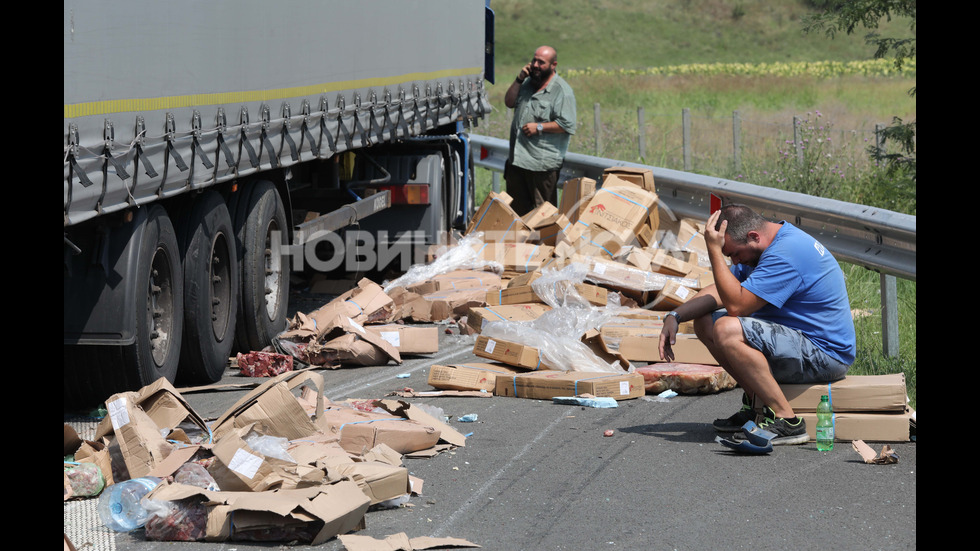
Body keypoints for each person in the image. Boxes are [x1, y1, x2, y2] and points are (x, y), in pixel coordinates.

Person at [658, 204, 856, 445]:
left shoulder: (786, 253)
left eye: (734, 254)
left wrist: (714, 252)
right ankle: (757, 407)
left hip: (825, 355)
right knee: (704, 321)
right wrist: (675, 316)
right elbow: (723, 290)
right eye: (729, 256)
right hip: (799, 343)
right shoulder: (765, 244)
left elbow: (737, 306)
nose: (734, 260)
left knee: (726, 328)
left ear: (753, 236)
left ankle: (788, 420)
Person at [503, 45, 577, 216]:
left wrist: (540, 127)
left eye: (541, 62)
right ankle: (520, 244)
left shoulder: (562, 91)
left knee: (542, 218)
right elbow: (509, 102)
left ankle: (541, 244)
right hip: (518, 162)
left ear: (553, 65)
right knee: (517, 216)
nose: (535, 65)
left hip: (541, 167)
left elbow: (567, 125)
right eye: (534, 60)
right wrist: (519, 78)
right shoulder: (527, 83)